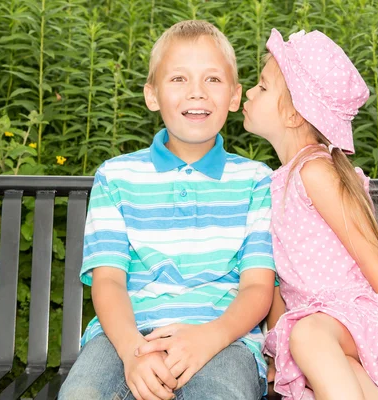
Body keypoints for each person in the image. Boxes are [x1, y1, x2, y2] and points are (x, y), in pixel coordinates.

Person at [59, 20, 276, 400]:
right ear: (152, 95)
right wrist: (132, 351)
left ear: (235, 96)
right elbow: (108, 281)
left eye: (212, 80)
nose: (197, 93)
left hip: (223, 339)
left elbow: (258, 286)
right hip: (123, 338)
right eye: (178, 79)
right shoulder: (116, 177)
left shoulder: (257, 181)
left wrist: (211, 337)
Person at [242, 28, 378, 400]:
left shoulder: (315, 172)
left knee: (309, 336)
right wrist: (275, 347)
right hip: (324, 330)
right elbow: (276, 279)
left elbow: (371, 258)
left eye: (262, 86)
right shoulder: (276, 182)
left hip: (356, 318)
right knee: (346, 375)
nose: (249, 92)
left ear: (293, 114)